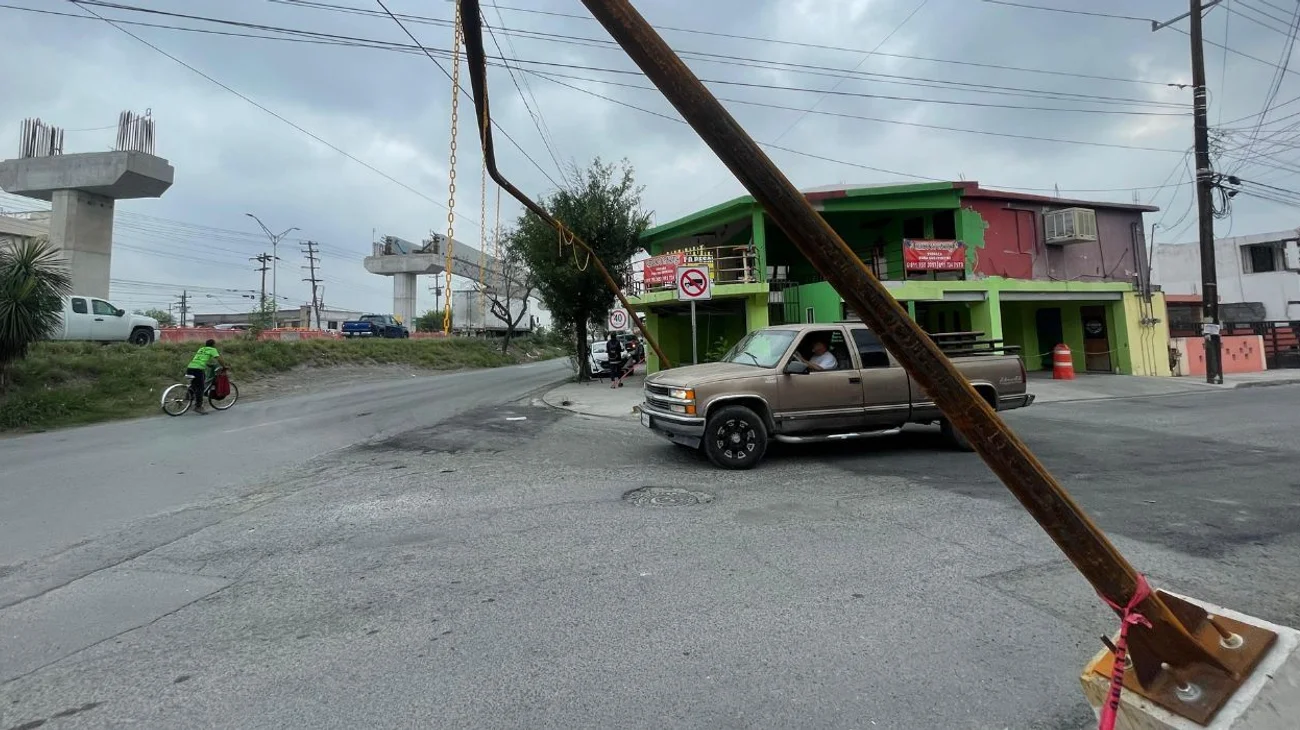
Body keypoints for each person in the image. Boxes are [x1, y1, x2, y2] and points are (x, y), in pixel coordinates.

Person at [186, 339, 229, 414]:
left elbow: (200, 358)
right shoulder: (212, 349)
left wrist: (208, 365)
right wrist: (224, 366)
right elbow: (219, 359)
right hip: (198, 369)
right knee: (200, 387)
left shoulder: (201, 349)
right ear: (213, 344)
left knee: (195, 384)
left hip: (190, 367)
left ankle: (188, 397)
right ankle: (198, 406)